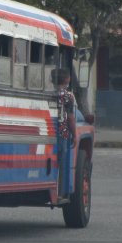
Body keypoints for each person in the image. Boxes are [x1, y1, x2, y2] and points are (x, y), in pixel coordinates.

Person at [51, 68, 76, 197]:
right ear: (67, 80)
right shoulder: (68, 96)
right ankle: (58, 189)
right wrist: (75, 134)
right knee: (59, 160)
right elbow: (70, 117)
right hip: (62, 131)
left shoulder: (49, 93)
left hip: (49, 128)